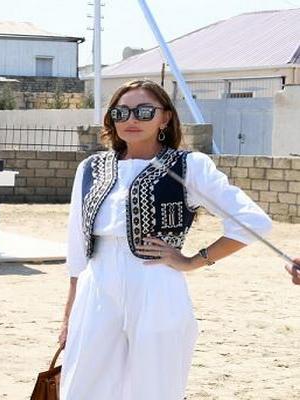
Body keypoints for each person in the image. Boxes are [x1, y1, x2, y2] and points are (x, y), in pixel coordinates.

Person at [58, 80, 273, 400]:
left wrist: (193, 261)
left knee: (156, 386)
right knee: (84, 387)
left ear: (166, 118)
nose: (131, 119)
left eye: (144, 112)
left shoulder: (189, 166)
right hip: (97, 286)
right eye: (121, 112)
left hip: (156, 285)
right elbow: (77, 247)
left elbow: (253, 221)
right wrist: (68, 315)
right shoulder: (90, 168)